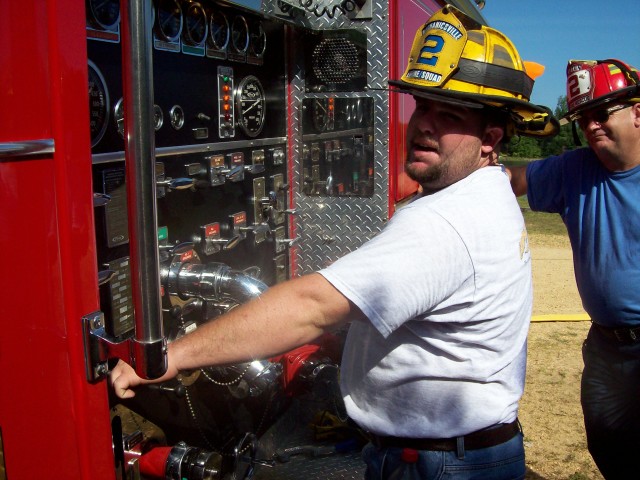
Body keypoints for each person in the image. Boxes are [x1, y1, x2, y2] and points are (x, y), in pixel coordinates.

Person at [110, 5, 558, 479]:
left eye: (448, 115)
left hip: (439, 464)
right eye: (422, 105)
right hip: (466, 451)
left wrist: (171, 355)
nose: (424, 124)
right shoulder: (490, 191)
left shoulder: (446, 222)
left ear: (489, 139)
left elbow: (310, 306)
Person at [507, 59, 640, 480]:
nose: (593, 126)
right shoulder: (575, 169)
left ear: (638, 111)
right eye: (584, 119)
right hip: (605, 344)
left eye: (602, 114)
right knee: (607, 443)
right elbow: (512, 181)